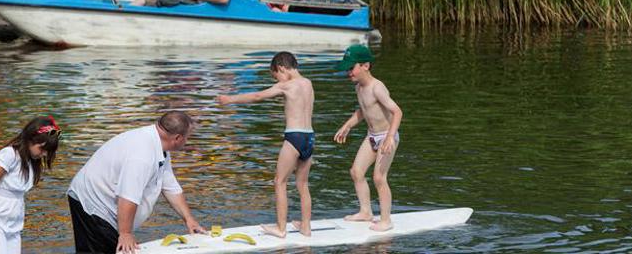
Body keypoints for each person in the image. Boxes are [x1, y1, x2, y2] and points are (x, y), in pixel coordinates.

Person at [67, 111, 205, 254]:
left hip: (106, 202)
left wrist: (189, 219)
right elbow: (127, 195)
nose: (187, 141)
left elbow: (170, 187)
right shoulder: (142, 155)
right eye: (187, 137)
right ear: (177, 138)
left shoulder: (159, 145)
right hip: (93, 202)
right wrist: (125, 234)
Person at [217, 52, 315, 238]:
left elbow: (257, 96)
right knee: (302, 184)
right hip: (309, 137)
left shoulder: (285, 85)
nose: (276, 79)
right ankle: (306, 227)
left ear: (281, 68)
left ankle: (280, 228)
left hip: (294, 137)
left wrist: (230, 99)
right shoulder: (308, 84)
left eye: (275, 75)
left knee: (279, 182)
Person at [0, 116, 62, 253]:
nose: (44, 154)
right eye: (42, 149)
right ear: (30, 139)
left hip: (13, 225)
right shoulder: (9, 155)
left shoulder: (30, 162)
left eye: (47, 152)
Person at [332, 44, 403, 232]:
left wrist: (389, 138)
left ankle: (386, 220)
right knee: (356, 172)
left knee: (379, 177)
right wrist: (347, 125)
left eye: (352, 68)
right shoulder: (359, 88)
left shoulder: (377, 87)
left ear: (366, 65)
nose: (349, 73)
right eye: (347, 69)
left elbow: (397, 112)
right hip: (371, 136)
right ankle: (366, 212)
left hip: (387, 137)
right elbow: (363, 110)